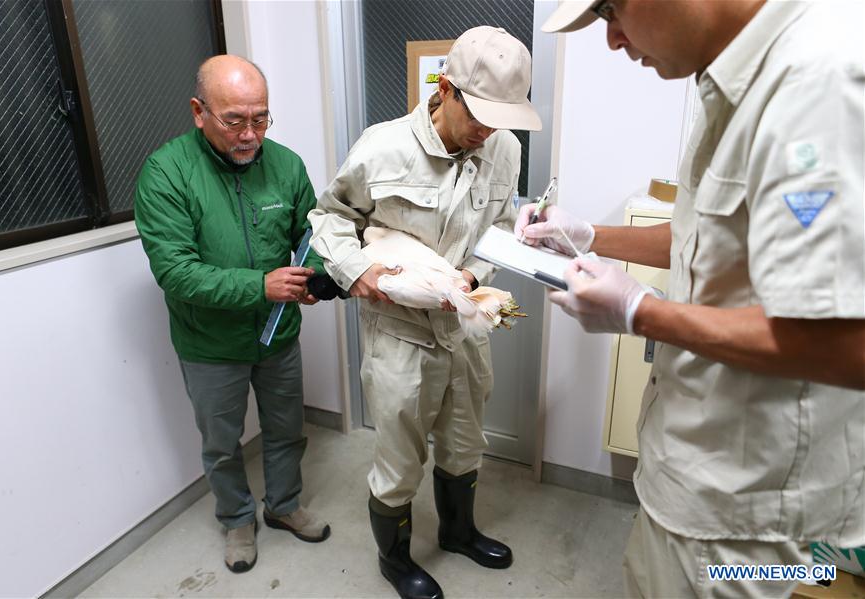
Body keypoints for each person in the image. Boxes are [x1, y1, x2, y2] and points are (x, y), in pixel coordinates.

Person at [519, 1, 865, 596]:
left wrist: (641, 313)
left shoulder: (818, 78)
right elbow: (704, 233)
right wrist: (588, 234)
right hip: (687, 468)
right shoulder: (728, 80)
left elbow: (846, 344)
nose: (613, 39)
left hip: (739, 512)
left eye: (612, 9)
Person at [309, 26, 541, 599]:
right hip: (399, 333)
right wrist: (355, 271)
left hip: (464, 325)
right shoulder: (383, 146)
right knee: (399, 459)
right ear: (445, 89)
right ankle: (395, 560)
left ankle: (459, 532)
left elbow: (500, 230)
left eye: (502, 119)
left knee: (465, 442)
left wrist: (474, 277)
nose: (488, 131)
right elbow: (331, 216)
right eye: (479, 114)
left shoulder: (505, 149)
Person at [134, 55, 330, 574]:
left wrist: (313, 278)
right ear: (199, 112)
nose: (250, 135)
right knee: (222, 444)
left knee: (287, 428)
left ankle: (283, 505)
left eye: (260, 119)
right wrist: (261, 286)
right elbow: (176, 271)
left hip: (277, 335)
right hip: (209, 344)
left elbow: (312, 236)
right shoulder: (166, 172)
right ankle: (238, 519)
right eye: (235, 120)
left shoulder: (285, 165)